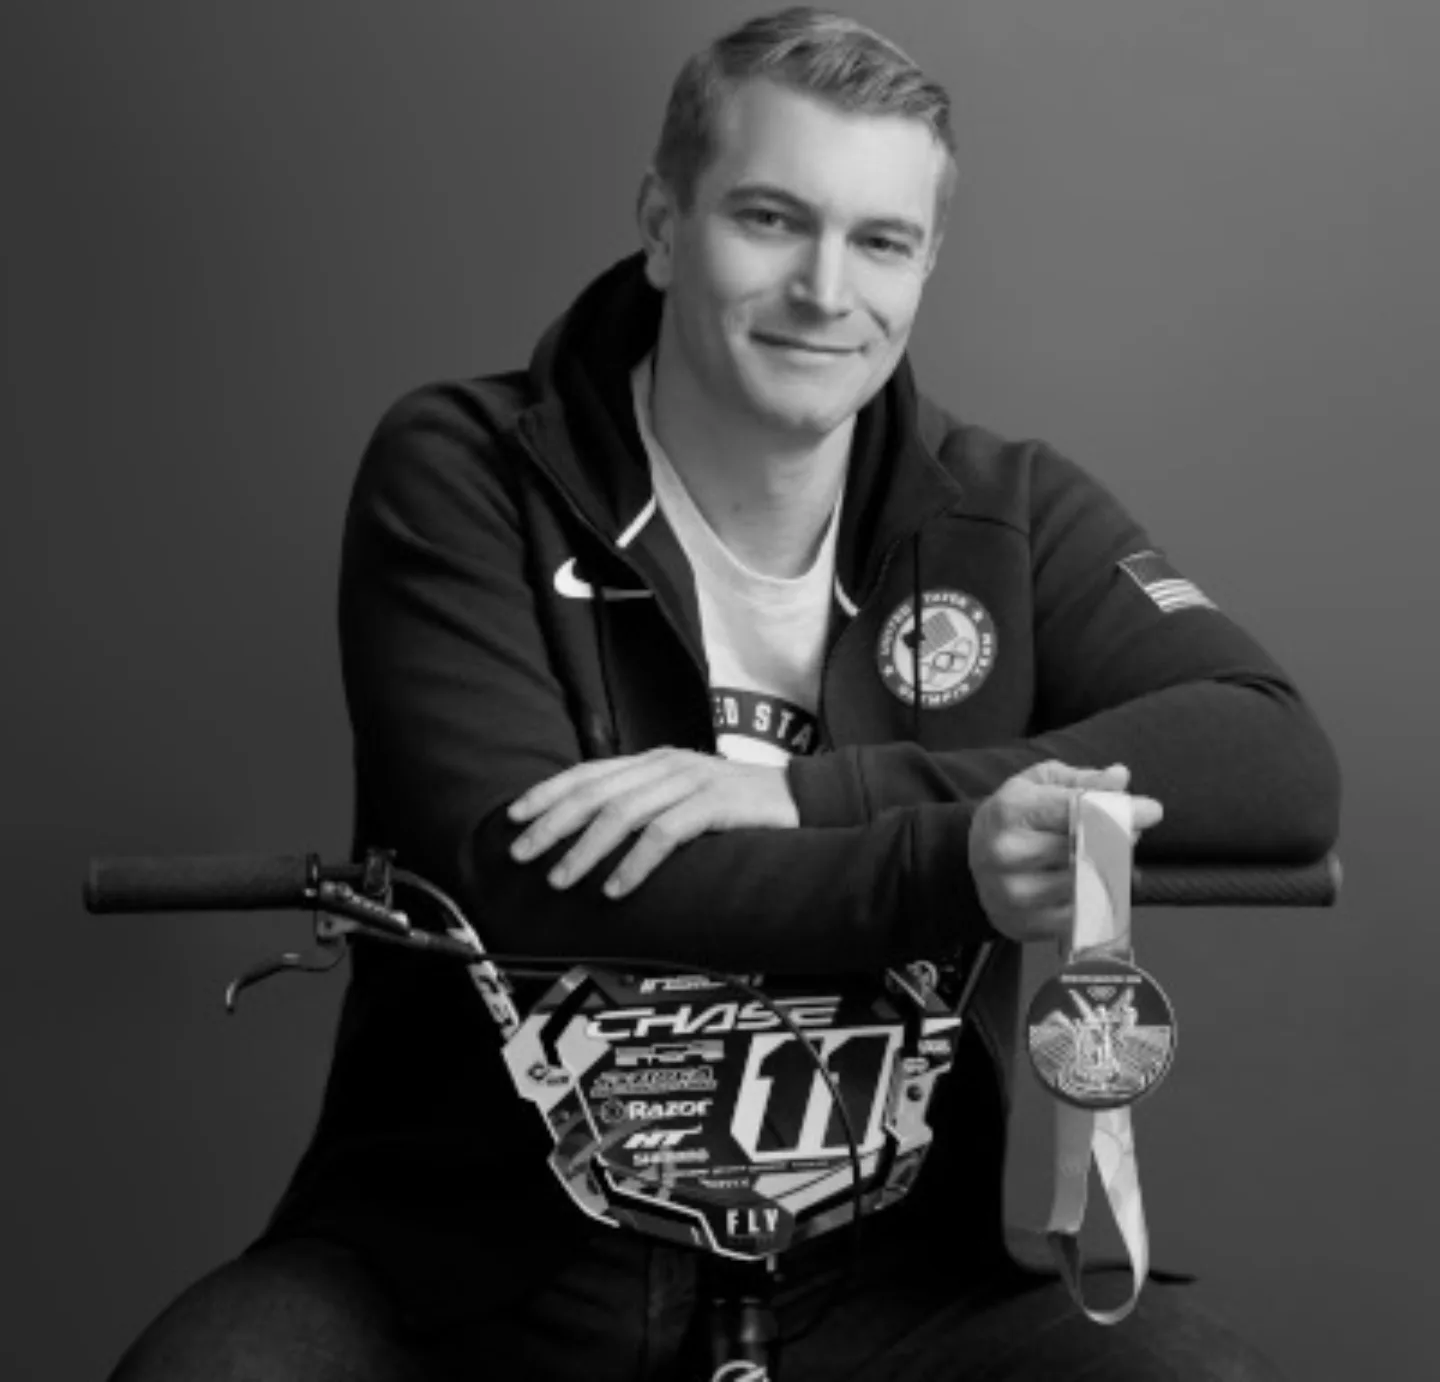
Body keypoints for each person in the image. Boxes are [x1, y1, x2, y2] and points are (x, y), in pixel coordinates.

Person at [110, 7, 1340, 1380]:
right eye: (771, 220)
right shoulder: (466, 469)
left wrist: (807, 795)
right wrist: (953, 866)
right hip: (489, 1259)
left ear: (926, 265)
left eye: (882, 241)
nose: (826, 289)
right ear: (663, 225)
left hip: (898, 1267)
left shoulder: (1005, 511)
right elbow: (532, 878)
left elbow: (1274, 762)